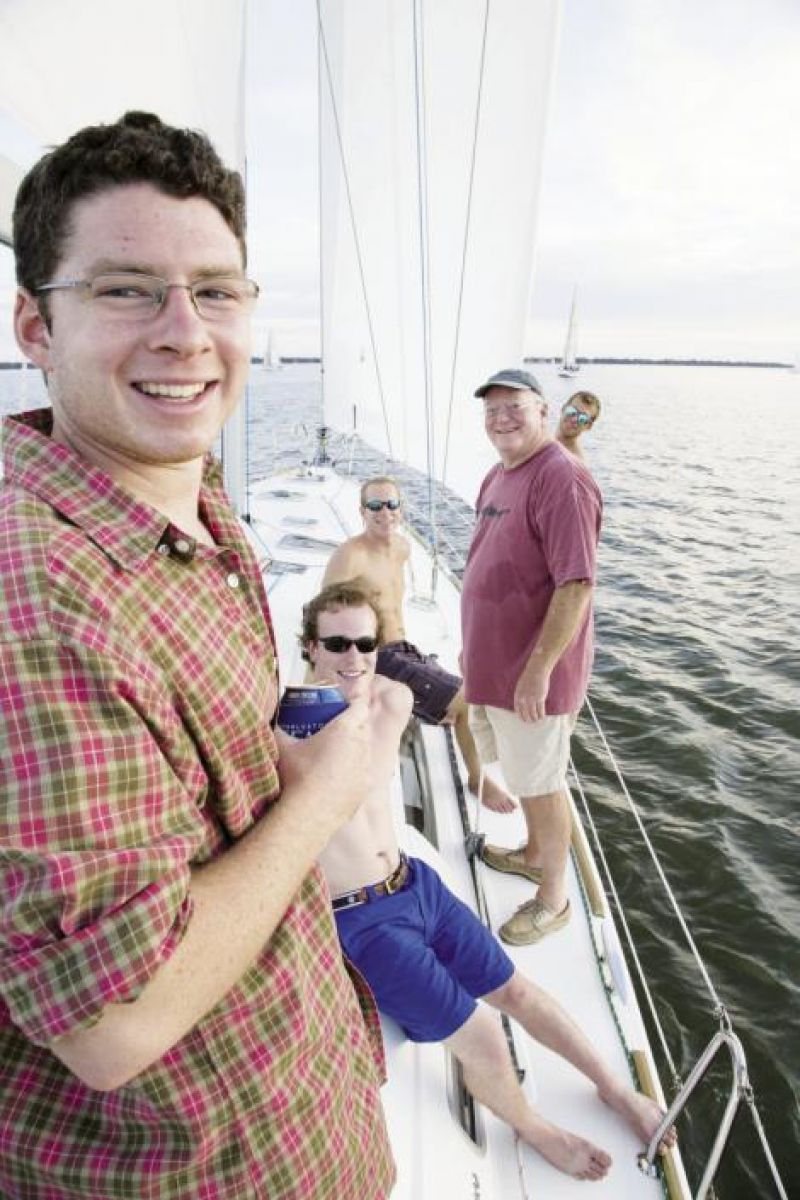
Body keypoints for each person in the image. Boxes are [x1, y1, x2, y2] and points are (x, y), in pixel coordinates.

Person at [0, 112, 394, 1199]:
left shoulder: (189, 497)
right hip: (201, 1171)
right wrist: (326, 796)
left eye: (215, 291)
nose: (186, 333)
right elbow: (113, 1022)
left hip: (305, 1117)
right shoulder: (35, 597)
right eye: (125, 288)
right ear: (34, 325)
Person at [301, 579, 675, 1182]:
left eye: (364, 643)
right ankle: (536, 1128)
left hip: (413, 882)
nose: (351, 657)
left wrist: (482, 777)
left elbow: (463, 704)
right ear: (310, 647)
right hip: (359, 920)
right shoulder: (289, 727)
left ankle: (612, 1087)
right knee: (480, 1031)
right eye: (336, 643)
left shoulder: (392, 700)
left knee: (518, 992)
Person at [461, 368, 603, 945]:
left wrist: (538, 669)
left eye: (514, 406)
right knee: (526, 774)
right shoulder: (500, 473)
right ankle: (536, 851)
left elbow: (576, 585)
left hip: (530, 675)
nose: (501, 417)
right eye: (491, 409)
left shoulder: (561, 479)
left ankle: (554, 899)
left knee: (542, 782)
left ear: (544, 411)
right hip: (494, 664)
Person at [321, 475, 514, 812]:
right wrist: (324, 681)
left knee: (475, 694)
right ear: (362, 511)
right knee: (467, 701)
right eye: (375, 506)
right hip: (376, 655)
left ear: (401, 509)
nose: (385, 513)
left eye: (392, 504)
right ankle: (475, 777)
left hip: (404, 648)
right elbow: (323, 614)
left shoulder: (403, 548)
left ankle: (430, 707)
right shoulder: (350, 555)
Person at [556, 390, 601, 461]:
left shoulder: (575, 462)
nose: (574, 419)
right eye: (571, 411)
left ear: (589, 426)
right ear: (563, 409)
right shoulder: (542, 438)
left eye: (582, 418)